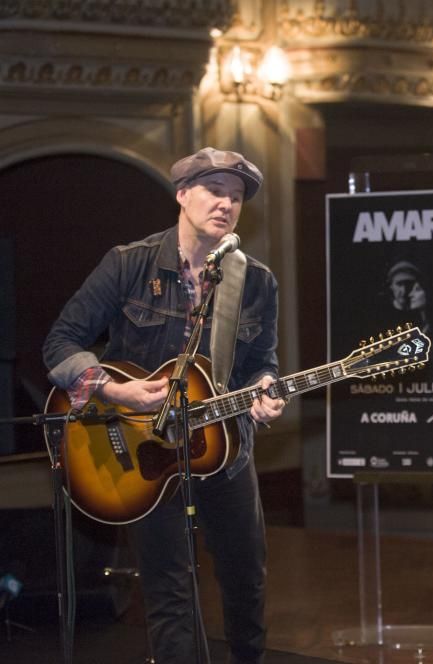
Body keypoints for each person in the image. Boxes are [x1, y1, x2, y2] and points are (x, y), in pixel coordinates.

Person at [43, 147, 285, 664]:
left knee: (246, 577)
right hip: (139, 450)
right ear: (182, 194)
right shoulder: (128, 263)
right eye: (214, 191)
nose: (226, 204)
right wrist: (112, 389)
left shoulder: (256, 281)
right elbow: (60, 344)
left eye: (236, 196)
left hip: (222, 449)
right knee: (169, 589)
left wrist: (266, 389)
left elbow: (263, 362)